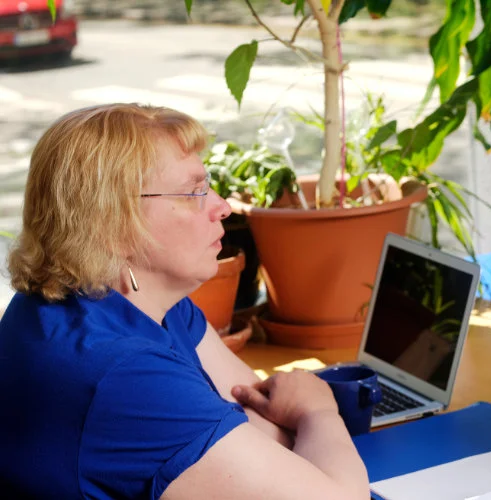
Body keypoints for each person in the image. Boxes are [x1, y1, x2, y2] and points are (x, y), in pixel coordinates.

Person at [0, 104, 369, 499]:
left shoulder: (129, 303)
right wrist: (319, 411)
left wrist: (289, 433)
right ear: (112, 224)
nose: (222, 206)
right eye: (194, 192)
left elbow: (265, 418)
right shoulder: (123, 374)